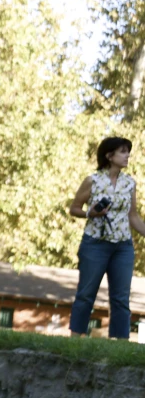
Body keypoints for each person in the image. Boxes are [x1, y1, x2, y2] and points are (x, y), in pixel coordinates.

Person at [69, 137, 145, 339]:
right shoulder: (92, 181)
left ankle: (120, 343)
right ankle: (75, 339)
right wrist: (90, 213)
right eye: (123, 151)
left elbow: (133, 217)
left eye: (128, 151)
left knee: (120, 298)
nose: (127, 155)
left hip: (123, 246)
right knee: (86, 294)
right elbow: (74, 209)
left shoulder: (130, 183)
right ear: (109, 155)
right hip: (94, 244)